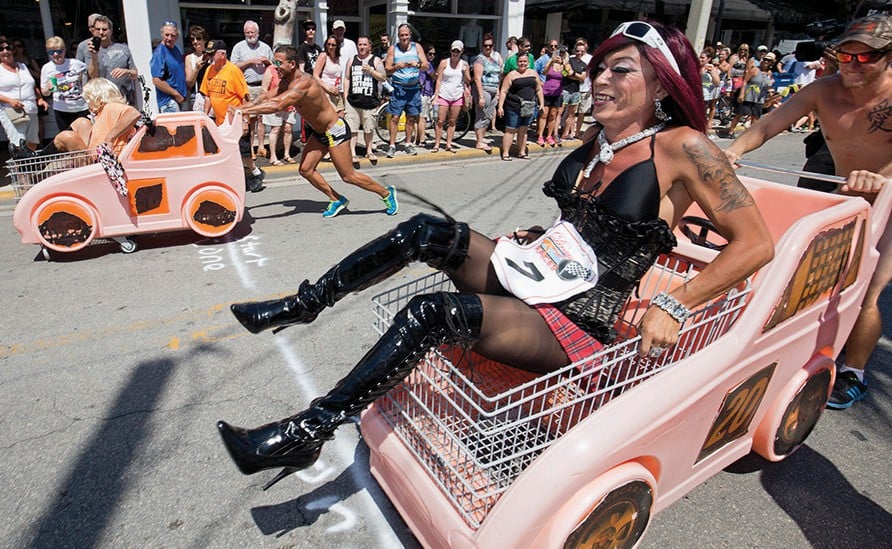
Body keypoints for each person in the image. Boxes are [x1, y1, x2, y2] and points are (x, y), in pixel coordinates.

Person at [216, 20, 774, 489]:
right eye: (599, 68)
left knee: (431, 313)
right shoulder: (597, 144)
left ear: (661, 84)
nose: (601, 78)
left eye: (621, 69)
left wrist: (675, 303)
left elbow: (756, 243)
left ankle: (310, 430)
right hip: (539, 278)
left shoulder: (681, 147)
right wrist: (546, 234)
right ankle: (305, 303)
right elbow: (581, 228)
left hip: (575, 319)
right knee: (427, 231)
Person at [725, 13, 892, 410]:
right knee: (808, 279)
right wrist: (733, 150)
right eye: (845, 55)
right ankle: (804, 352)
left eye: (865, 58)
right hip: (842, 199)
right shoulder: (823, 89)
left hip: (887, 200)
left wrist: (879, 179)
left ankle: (855, 372)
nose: (852, 65)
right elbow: (769, 124)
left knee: (867, 289)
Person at [231, 45, 397, 218]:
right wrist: (239, 108)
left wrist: (244, 111)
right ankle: (336, 199)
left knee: (348, 176)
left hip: (335, 131)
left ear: (292, 64)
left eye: (278, 62)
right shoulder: (286, 81)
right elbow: (266, 97)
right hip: (320, 133)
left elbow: (277, 105)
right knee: (306, 170)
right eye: (273, 61)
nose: (274, 66)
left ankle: (386, 193)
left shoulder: (303, 83)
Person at [199, 39, 265, 193]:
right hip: (220, 121)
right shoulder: (209, 70)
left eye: (212, 54)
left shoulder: (233, 71)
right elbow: (208, 96)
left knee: (243, 151)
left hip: (234, 120)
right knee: (226, 152)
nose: (209, 57)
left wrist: (244, 121)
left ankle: (256, 172)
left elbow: (245, 98)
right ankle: (235, 178)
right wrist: (204, 116)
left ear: (222, 54)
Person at [41, 77, 140, 155]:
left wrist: (110, 138)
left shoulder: (110, 107)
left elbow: (133, 114)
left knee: (66, 137)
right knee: (81, 122)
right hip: (94, 155)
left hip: (104, 160)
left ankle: (39, 161)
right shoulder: (102, 113)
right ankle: (38, 159)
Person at [231, 20, 274, 159]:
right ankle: (250, 149)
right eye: (247, 33)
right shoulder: (239, 47)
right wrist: (250, 62)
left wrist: (267, 61)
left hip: (262, 86)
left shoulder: (266, 47)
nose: (250, 35)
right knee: (250, 119)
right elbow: (232, 67)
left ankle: (261, 146)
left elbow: (274, 66)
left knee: (262, 118)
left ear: (258, 33)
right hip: (247, 87)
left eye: (252, 32)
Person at [384, 23, 428, 157]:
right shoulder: (393, 49)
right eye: (402, 35)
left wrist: (418, 65)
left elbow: (426, 66)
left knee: (411, 118)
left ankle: (408, 144)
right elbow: (387, 68)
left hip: (413, 88)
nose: (404, 38)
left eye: (406, 35)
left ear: (410, 35)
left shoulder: (417, 47)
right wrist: (396, 67)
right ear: (398, 36)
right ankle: (392, 145)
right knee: (395, 117)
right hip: (399, 88)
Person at [0, 38, 48, 157]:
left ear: (13, 50)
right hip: (11, 110)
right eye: (1, 49)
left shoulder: (22, 66)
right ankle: (21, 175)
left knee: (32, 142)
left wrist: (40, 98)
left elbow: (31, 84)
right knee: (18, 145)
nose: (5, 51)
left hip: (31, 108)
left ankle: (30, 173)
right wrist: (10, 101)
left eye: (8, 48)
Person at [344, 35, 386, 163]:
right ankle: (352, 153)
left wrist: (371, 71)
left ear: (369, 47)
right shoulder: (352, 60)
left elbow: (383, 77)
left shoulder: (376, 60)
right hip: (353, 101)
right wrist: (345, 97)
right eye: (360, 44)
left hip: (370, 101)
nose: (361, 47)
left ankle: (369, 151)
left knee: (369, 128)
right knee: (353, 129)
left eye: (364, 45)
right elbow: (347, 79)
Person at [497, 51, 542, 160]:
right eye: (520, 61)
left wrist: (542, 103)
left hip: (528, 105)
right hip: (513, 106)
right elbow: (503, 91)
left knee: (524, 129)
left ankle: (521, 152)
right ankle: (506, 153)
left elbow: (539, 89)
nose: (523, 63)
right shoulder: (511, 75)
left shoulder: (533, 73)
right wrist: (500, 106)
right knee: (510, 129)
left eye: (525, 61)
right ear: (517, 62)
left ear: (528, 62)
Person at [40, 36, 89, 131]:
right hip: (61, 109)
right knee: (66, 138)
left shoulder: (76, 64)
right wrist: (48, 89)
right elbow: (45, 93)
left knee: (85, 135)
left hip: (81, 106)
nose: (55, 54)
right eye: (51, 52)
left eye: (59, 51)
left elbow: (90, 78)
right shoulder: (47, 68)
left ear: (64, 50)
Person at [86, 16, 138, 105]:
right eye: (98, 29)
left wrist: (126, 72)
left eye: (104, 29)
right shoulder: (89, 50)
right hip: (103, 100)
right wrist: (94, 57)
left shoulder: (124, 48)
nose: (101, 32)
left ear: (111, 31)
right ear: (93, 31)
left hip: (124, 99)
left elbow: (135, 74)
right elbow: (93, 77)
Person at [431, 40, 471, 153]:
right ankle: (437, 143)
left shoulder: (464, 64)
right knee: (440, 120)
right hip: (444, 94)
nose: (455, 53)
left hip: (457, 95)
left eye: (458, 51)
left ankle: (448, 144)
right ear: (451, 50)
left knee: (453, 121)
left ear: (462, 51)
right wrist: (436, 96)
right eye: (454, 50)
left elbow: (468, 80)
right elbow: (438, 80)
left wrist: (465, 72)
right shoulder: (444, 63)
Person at [472, 33, 501, 151]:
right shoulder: (479, 59)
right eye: (485, 45)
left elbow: (498, 76)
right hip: (484, 89)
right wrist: (480, 96)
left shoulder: (494, 59)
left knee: (488, 116)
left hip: (494, 89)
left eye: (490, 45)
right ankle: (478, 141)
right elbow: (477, 78)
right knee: (481, 115)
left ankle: (482, 138)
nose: (488, 48)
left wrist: (498, 92)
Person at [150, 20, 187, 113]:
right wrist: (176, 94)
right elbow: (156, 80)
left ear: (177, 36)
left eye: (173, 35)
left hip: (178, 101)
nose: (169, 38)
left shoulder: (176, 49)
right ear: (162, 34)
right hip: (169, 103)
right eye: (167, 35)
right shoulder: (159, 53)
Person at [536, 46, 570, 146]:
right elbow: (544, 72)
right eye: (559, 53)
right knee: (544, 114)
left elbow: (565, 74)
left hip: (557, 93)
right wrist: (551, 62)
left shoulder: (566, 65)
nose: (560, 55)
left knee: (553, 115)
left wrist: (563, 63)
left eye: (563, 54)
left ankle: (549, 136)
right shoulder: (550, 63)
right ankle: (540, 135)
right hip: (547, 92)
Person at [559, 42, 587, 141]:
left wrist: (573, 74)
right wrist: (575, 76)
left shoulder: (584, 65)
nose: (579, 53)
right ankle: (554, 133)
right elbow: (564, 73)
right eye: (578, 51)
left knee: (571, 114)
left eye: (582, 51)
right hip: (565, 89)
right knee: (559, 112)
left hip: (576, 91)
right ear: (574, 50)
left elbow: (583, 79)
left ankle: (566, 133)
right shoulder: (569, 60)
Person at [313, 35, 346, 115]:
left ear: (337, 46)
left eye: (333, 45)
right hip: (326, 92)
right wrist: (327, 88)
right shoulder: (323, 56)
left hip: (336, 93)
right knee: (331, 119)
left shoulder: (337, 58)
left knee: (341, 117)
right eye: (328, 44)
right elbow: (315, 75)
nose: (330, 47)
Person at [184, 25, 210, 112]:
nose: (195, 41)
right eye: (192, 39)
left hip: (212, 94)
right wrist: (196, 69)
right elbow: (189, 83)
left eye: (198, 38)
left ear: (204, 39)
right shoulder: (189, 58)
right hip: (197, 95)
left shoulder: (212, 55)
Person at [416, 45, 437, 147]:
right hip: (424, 92)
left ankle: (417, 138)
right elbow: (433, 76)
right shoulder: (427, 64)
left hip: (422, 92)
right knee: (422, 118)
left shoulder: (422, 64)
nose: (432, 56)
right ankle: (422, 140)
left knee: (418, 117)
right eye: (430, 54)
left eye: (434, 54)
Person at [699, 48, 721, 134]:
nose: (700, 59)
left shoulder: (711, 68)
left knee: (703, 112)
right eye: (700, 57)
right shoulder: (697, 67)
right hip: (696, 93)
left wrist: (711, 73)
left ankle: (703, 129)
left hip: (706, 95)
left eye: (702, 58)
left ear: (708, 59)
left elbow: (717, 82)